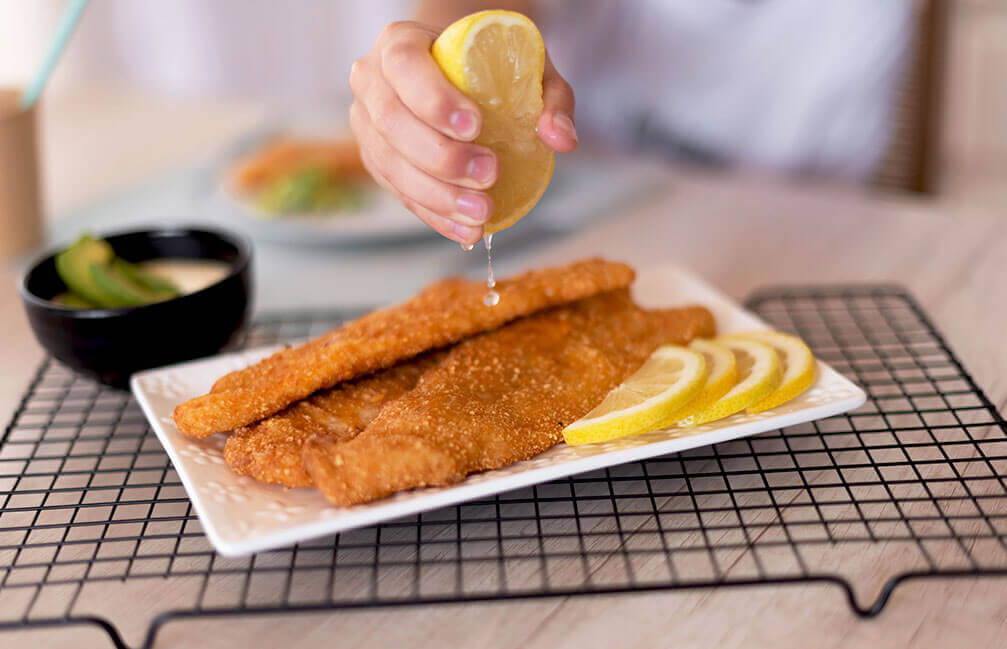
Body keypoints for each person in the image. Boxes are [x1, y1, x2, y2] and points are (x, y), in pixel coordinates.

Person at [350, 0, 914, 247]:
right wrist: (437, 57)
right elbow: (477, 4)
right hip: (565, 231)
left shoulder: (856, 24)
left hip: (789, 249)